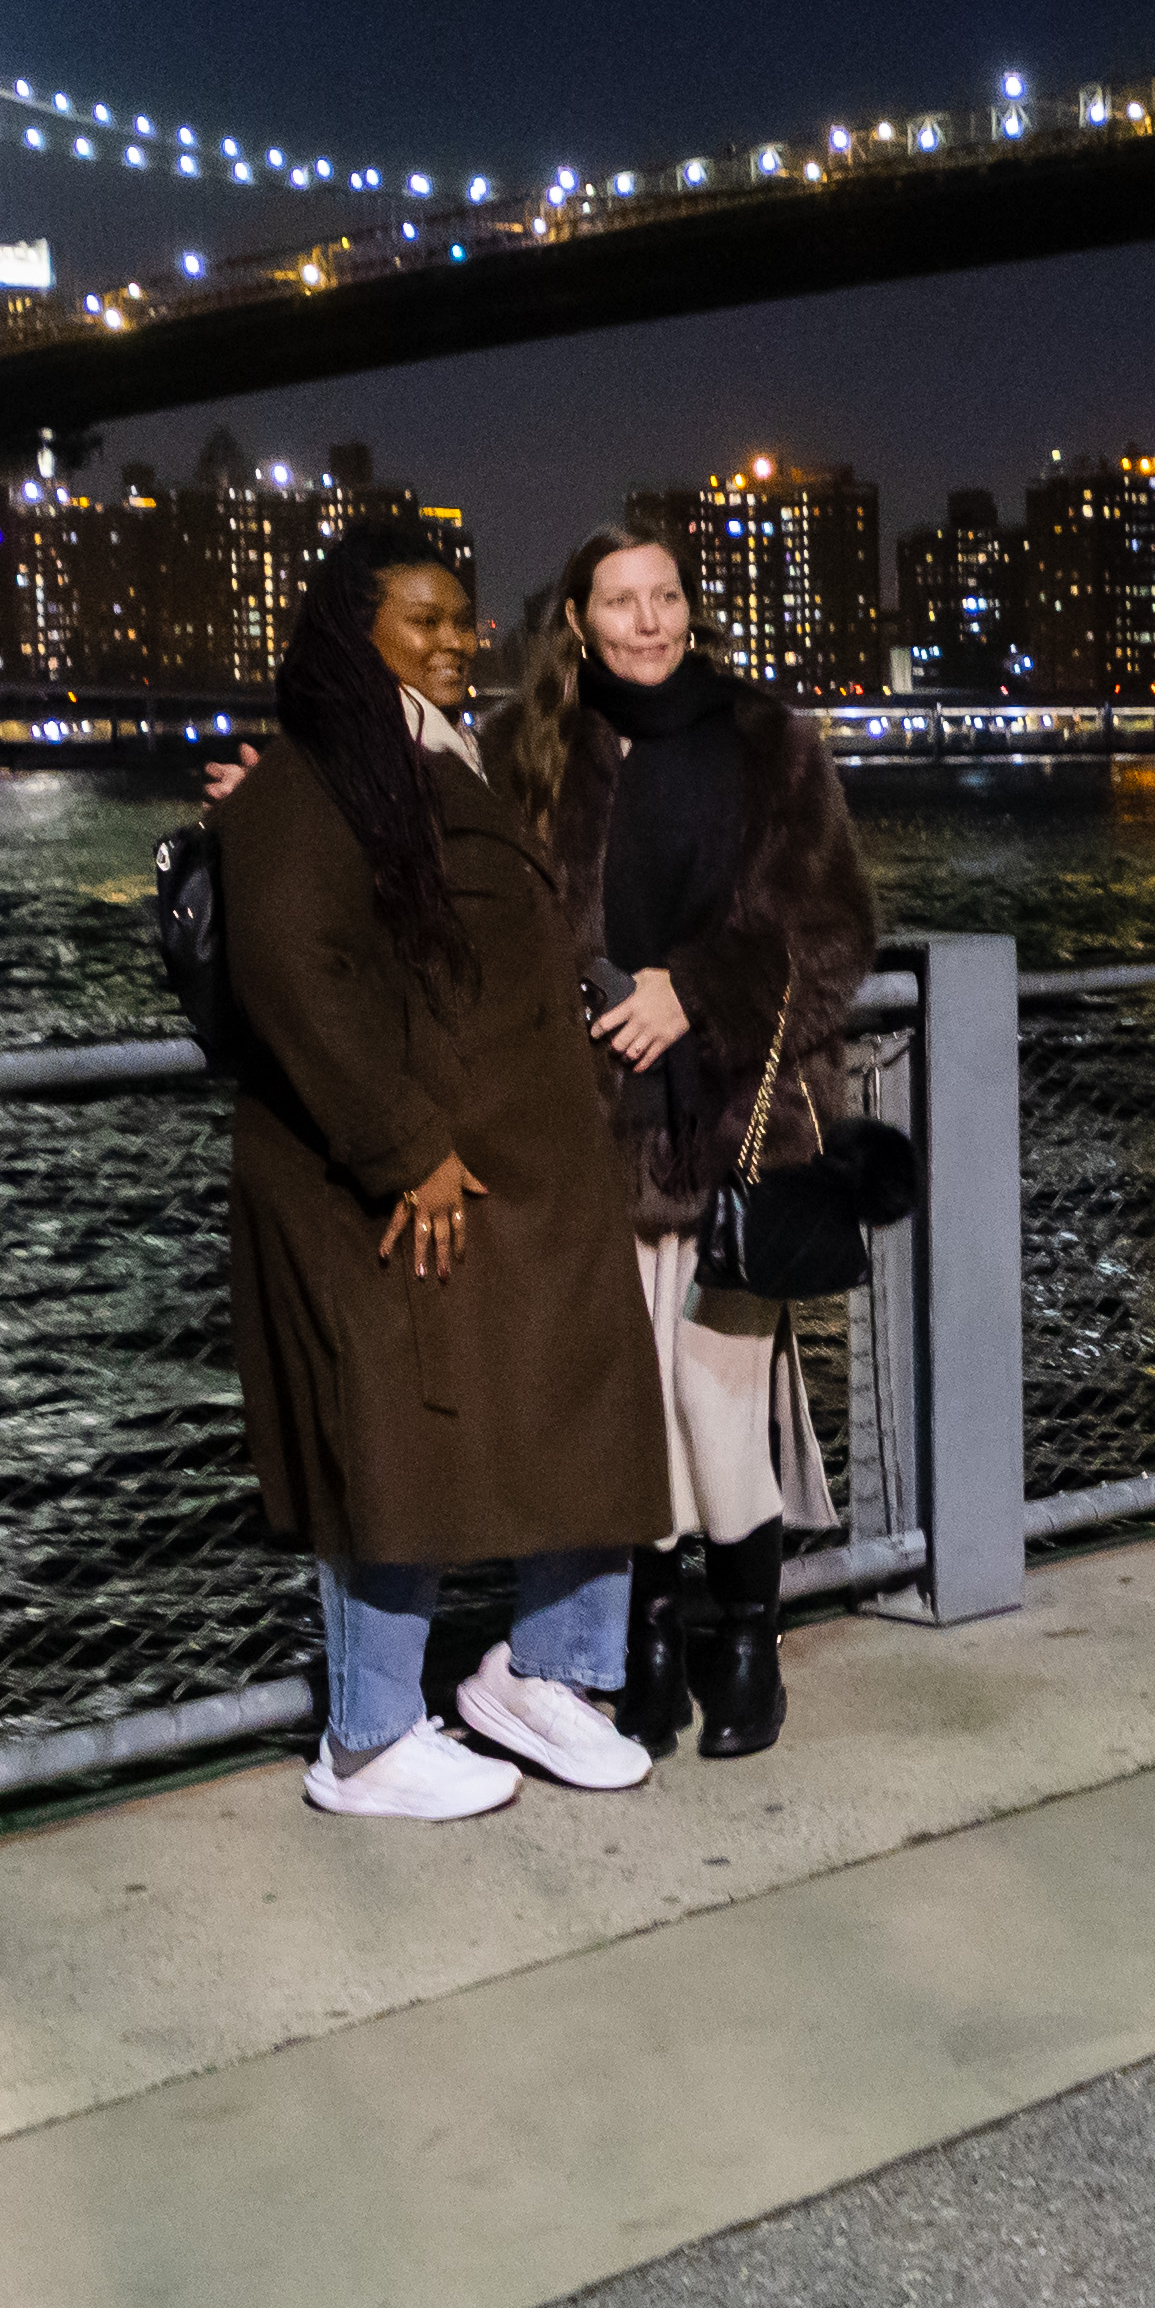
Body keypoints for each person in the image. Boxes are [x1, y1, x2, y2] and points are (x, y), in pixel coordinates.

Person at [215, 537, 674, 1819]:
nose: (456, 640)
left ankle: (553, 1675)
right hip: (401, 1179)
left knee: (583, 1397)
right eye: (422, 620)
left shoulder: (440, 751)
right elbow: (297, 971)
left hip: (524, 1166)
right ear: (352, 634)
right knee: (396, 1441)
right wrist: (404, 1145)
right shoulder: (313, 773)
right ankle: (364, 1739)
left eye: (466, 620)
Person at [502, 527, 879, 1761]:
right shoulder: (533, 752)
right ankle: (651, 1647)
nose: (650, 621)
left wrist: (690, 989)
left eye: (667, 597)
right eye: (622, 600)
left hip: (731, 1133)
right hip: (592, 1138)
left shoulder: (769, 743)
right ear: (577, 617)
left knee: (717, 1402)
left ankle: (750, 1648)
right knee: (639, 1413)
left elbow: (834, 937)